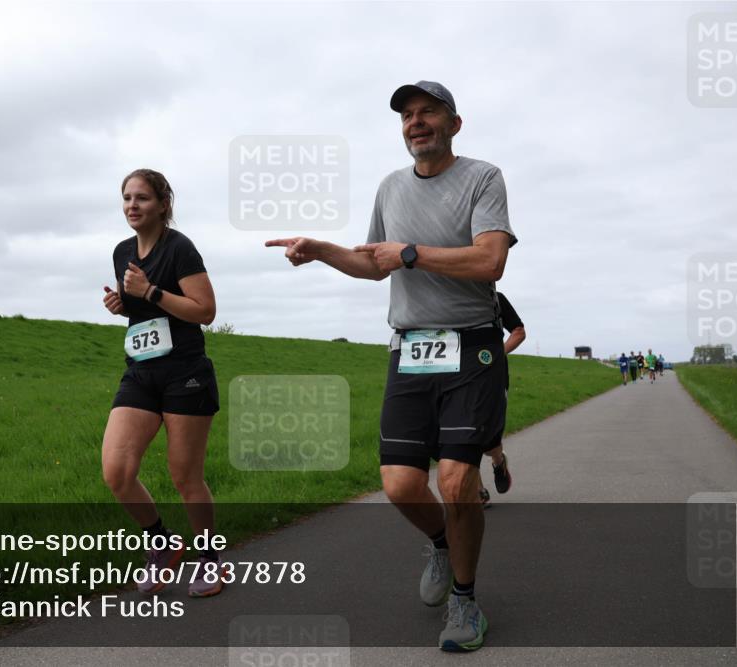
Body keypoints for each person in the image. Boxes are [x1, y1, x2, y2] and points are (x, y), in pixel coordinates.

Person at [267, 80, 516, 652]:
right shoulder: (389, 187)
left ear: (455, 124)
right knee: (401, 485)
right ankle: (441, 544)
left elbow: (491, 260)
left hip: (472, 348)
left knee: (455, 481)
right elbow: (373, 263)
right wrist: (321, 248)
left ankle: (465, 601)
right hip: (410, 350)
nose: (416, 122)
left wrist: (410, 253)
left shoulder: (483, 177)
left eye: (428, 112)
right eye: (407, 114)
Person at [101, 168, 225, 598]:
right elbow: (140, 311)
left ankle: (209, 559)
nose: (133, 206)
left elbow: (204, 310)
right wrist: (122, 304)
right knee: (117, 471)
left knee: (184, 475)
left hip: (185, 373)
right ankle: (163, 545)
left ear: (163, 205)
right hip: (140, 370)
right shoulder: (122, 251)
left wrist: (150, 291)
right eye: (127, 198)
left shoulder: (180, 248)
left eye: (142, 199)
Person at [477, 291, 524, 506]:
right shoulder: (445, 301)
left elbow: (518, 331)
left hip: (493, 375)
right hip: (456, 375)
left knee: (487, 439)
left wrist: (498, 354)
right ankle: (478, 491)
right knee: (459, 434)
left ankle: (498, 461)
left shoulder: (494, 298)